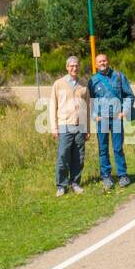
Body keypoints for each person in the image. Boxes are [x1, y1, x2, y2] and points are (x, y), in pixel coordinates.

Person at [89, 52, 135, 190]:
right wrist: (94, 116)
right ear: (96, 65)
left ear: (107, 61)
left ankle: (123, 175)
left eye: (104, 61)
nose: (102, 63)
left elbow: (129, 96)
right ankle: (106, 177)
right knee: (103, 149)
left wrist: (124, 112)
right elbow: (89, 101)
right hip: (102, 120)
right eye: (100, 62)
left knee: (117, 148)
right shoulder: (93, 81)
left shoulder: (119, 76)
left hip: (116, 118)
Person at [48, 55, 89, 196]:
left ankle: (75, 183)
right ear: (67, 67)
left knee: (79, 157)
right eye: (71, 66)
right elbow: (53, 106)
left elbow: (88, 107)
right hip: (64, 126)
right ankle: (61, 185)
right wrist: (54, 127)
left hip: (80, 127)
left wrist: (88, 128)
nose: (74, 68)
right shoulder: (58, 84)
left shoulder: (83, 84)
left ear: (79, 67)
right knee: (63, 156)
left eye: (76, 65)